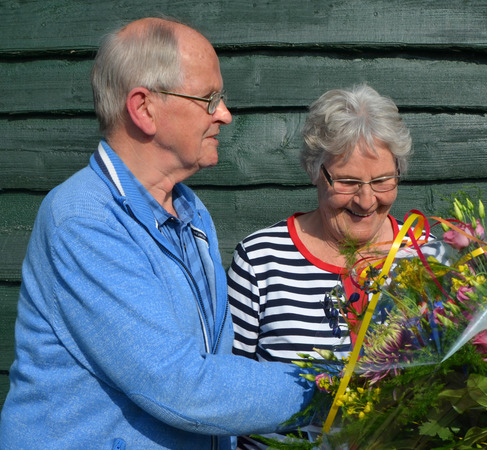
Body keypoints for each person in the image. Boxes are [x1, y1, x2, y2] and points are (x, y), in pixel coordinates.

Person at [0, 18, 311, 449]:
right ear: (144, 108)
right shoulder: (85, 220)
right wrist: (331, 385)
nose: (224, 113)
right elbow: (177, 385)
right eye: (209, 99)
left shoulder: (189, 210)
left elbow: (211, 364)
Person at [226, 84, 414, 447]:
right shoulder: (261, 259)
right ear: (315, 170)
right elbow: (230, 389)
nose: (366, 200)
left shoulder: (430, 257)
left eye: (382, 181)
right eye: (347, 181)